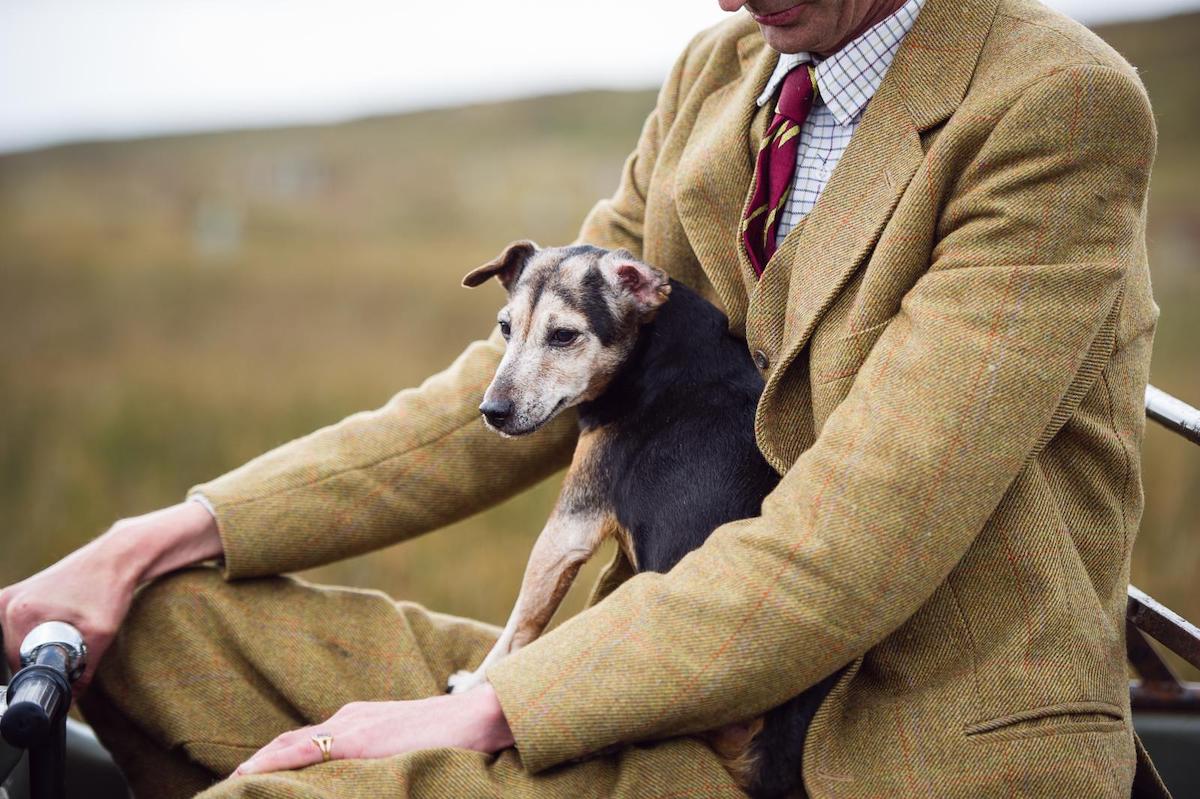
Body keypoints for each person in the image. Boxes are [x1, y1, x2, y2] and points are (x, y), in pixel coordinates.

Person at [0, 0, 1166, 796]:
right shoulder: (725, 75)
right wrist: (155, 536)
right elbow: (510, 389)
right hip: (649, 660)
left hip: (878, 740)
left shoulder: (1055, 105)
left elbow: (863, 532)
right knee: (148, 629)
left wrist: (490, 704)